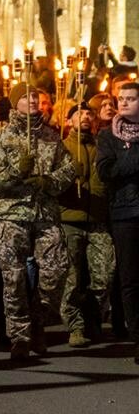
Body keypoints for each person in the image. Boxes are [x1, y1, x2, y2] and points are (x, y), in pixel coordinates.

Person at [0, 83, 75, 359]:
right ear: (14, 103)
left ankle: (38, 321)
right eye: (26, 97)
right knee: (14, 277)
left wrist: (49, 181)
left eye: (36, 96)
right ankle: (19, 335)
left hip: (44, 213)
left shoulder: (51, 136)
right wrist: (14, 172)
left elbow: (67, 170)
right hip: (11, 214)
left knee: (57, 269)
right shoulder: (2, 137)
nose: (33, 100)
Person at [59, 103, 114, 348]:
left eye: (89, 114)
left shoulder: (101, 146)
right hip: (70, 219)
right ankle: (75, 326)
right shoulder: (62, 148)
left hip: (97, 219)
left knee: (104, 274)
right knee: (72, 277)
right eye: (79, 113)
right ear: (69, 120)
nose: (85, 117)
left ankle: (94, 318)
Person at [96, 81, 139, 363]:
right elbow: (105, 171)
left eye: (131, 99)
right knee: (130, 279)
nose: (123, 103)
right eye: (120, 98)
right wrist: (135, 158)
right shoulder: (108, 137)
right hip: (125, 213)